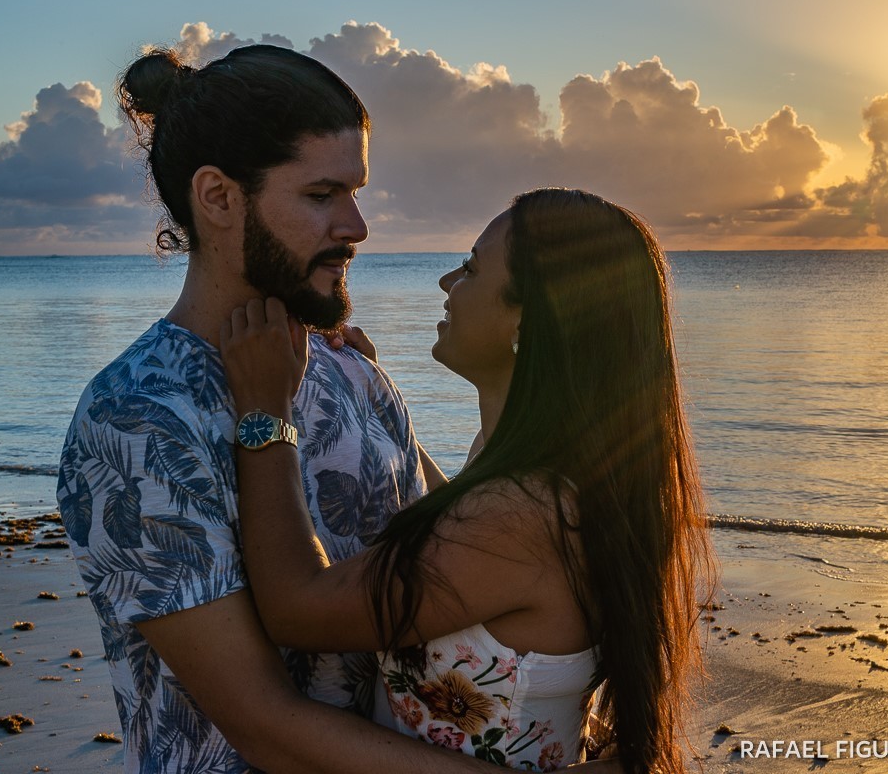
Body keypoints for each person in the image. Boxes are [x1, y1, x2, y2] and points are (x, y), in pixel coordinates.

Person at [56, 44, 514, 774]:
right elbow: (263, 727)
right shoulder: (135, 417)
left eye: (355, 192)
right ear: (219, 198)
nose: (357, 226)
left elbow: (459, 573)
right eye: (321, 194)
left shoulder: (352, 370)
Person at [220, 188, 713, 773]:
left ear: (526, 318)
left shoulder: (520, 515)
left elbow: (297, 608)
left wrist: (266, 411)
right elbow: (448, 518)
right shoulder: (541, 476)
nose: (447, 282)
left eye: (471, 268)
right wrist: (370, 396)